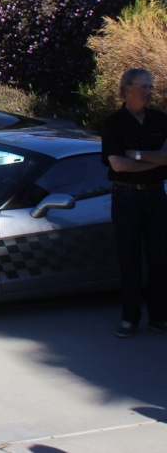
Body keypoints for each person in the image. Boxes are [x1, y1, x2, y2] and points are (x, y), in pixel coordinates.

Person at [101, 67, 167, 338]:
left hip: (156, 195)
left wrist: (136, 155)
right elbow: (117, 164)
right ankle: (130, 318)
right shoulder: (113, 123)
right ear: (127, 88)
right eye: (143, 87)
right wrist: (153, 158)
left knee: (160, 258)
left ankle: (159, 317)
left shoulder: (161, 121)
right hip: (125, 197)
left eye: (150, 87)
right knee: (129, 259)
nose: (148, 92)